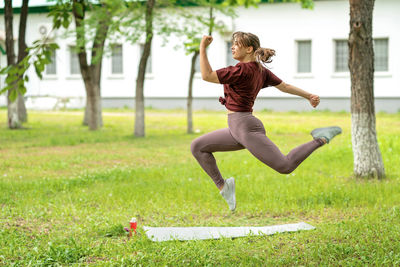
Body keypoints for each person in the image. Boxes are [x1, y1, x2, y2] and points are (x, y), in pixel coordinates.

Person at [191, 32, 342, 211]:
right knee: (198, 147)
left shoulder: (241, 70)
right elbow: (284, 86)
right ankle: (224, 187)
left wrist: (202, 47)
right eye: (232, 44)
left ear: (249, 49)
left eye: (236, 44)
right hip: (237, 128)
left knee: (285, 166)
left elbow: (207, 75)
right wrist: (309, 95)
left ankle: (320, 138)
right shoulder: (260, 70)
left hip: (245, 128)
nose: (232, 47)